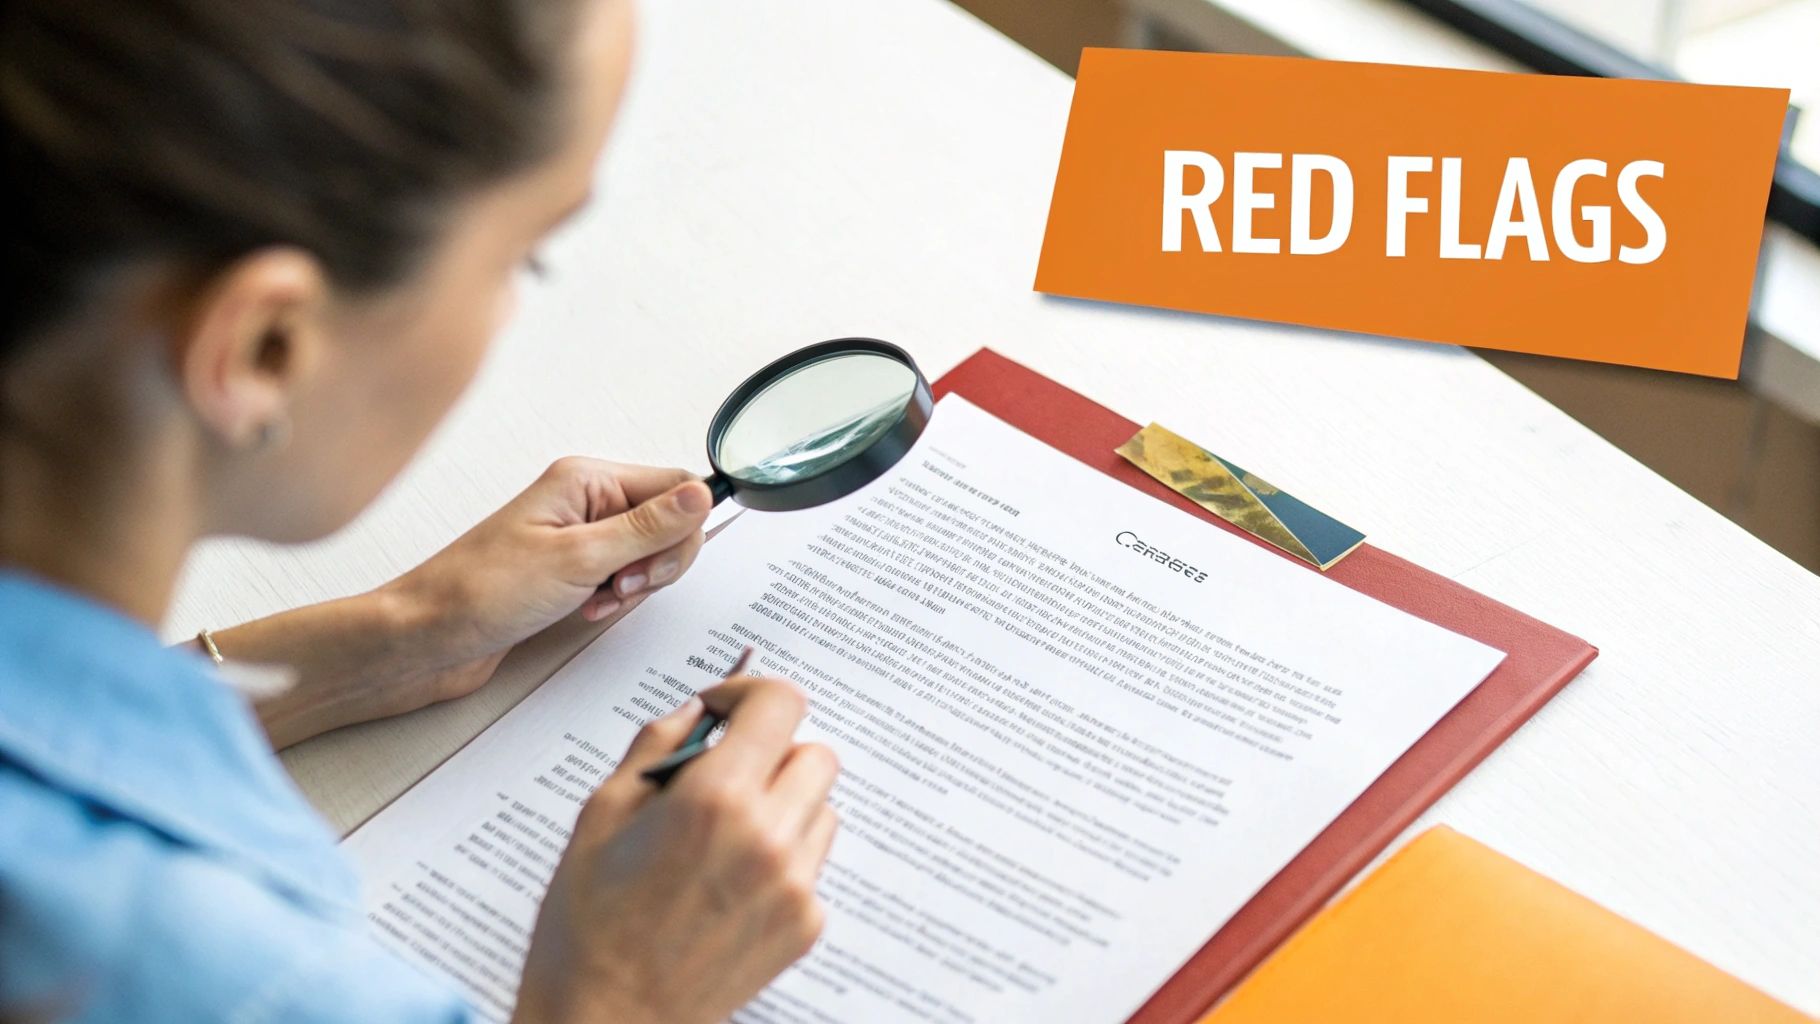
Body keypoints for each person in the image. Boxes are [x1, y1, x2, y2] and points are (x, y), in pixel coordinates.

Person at [0, 0, 841, 1021]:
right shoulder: (214, 975)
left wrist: (386, 640)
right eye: (519, 257)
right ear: (268, 347)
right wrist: (622, 993)